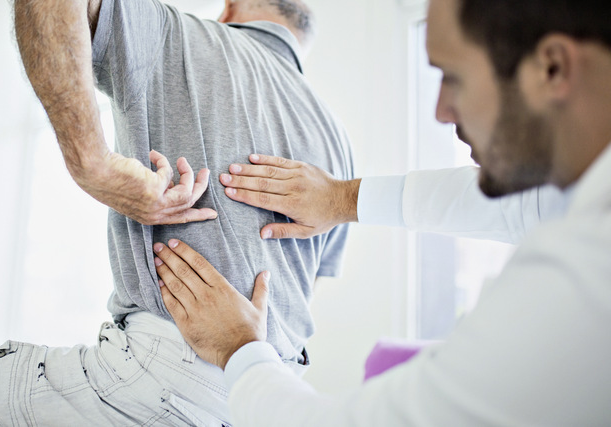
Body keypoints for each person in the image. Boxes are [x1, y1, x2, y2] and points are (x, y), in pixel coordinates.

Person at [0, 0, 356, 425]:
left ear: (230, 9)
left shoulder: (182, 34)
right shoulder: (339, 147)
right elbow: (296, 292)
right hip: (266, 398)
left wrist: (93, 165)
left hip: (166, 380)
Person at [153, 0, 611, 424]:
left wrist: (240, 349)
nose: (440, 111)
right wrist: (342, 199)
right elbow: (522, 207)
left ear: (552, 67)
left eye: (453, 77)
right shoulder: (582, 204)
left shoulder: (585, 274)